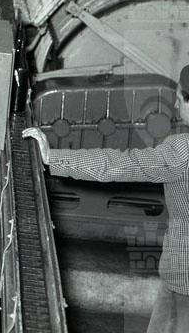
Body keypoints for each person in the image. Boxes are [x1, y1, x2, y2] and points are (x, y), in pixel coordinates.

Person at [23, 64, 189, 333]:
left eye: (180, 98)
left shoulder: (183, 151)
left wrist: (53, 157)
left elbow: (122, 164)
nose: (176, 103)